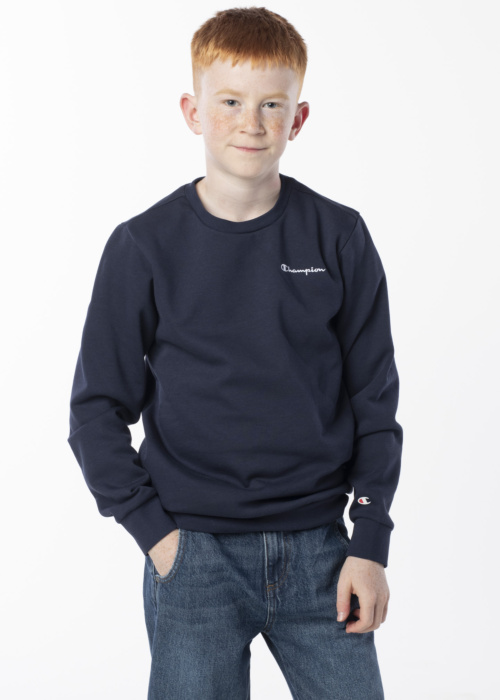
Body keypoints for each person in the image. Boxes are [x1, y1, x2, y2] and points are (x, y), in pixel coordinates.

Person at [67, 6, 403, 699]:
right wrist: (157, 537)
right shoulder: (143, 246)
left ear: (297, 119)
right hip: (194, 558)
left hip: (322, 553)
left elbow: (374, 401)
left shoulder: (339, 237)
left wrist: (369, 542)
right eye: (229, 102)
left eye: (271, 104)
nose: (251, 122)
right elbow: (96, 411)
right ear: (193, 111)